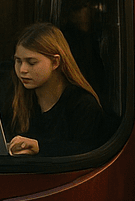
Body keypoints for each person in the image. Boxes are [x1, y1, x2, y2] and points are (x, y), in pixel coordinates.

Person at [7, 22, 106, 157]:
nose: (22, 70)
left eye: (31, 63)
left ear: (55, 62)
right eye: (18, 61)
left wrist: (40, 147)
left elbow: (87, 151)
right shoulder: (18, 98)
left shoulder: (83, 105)